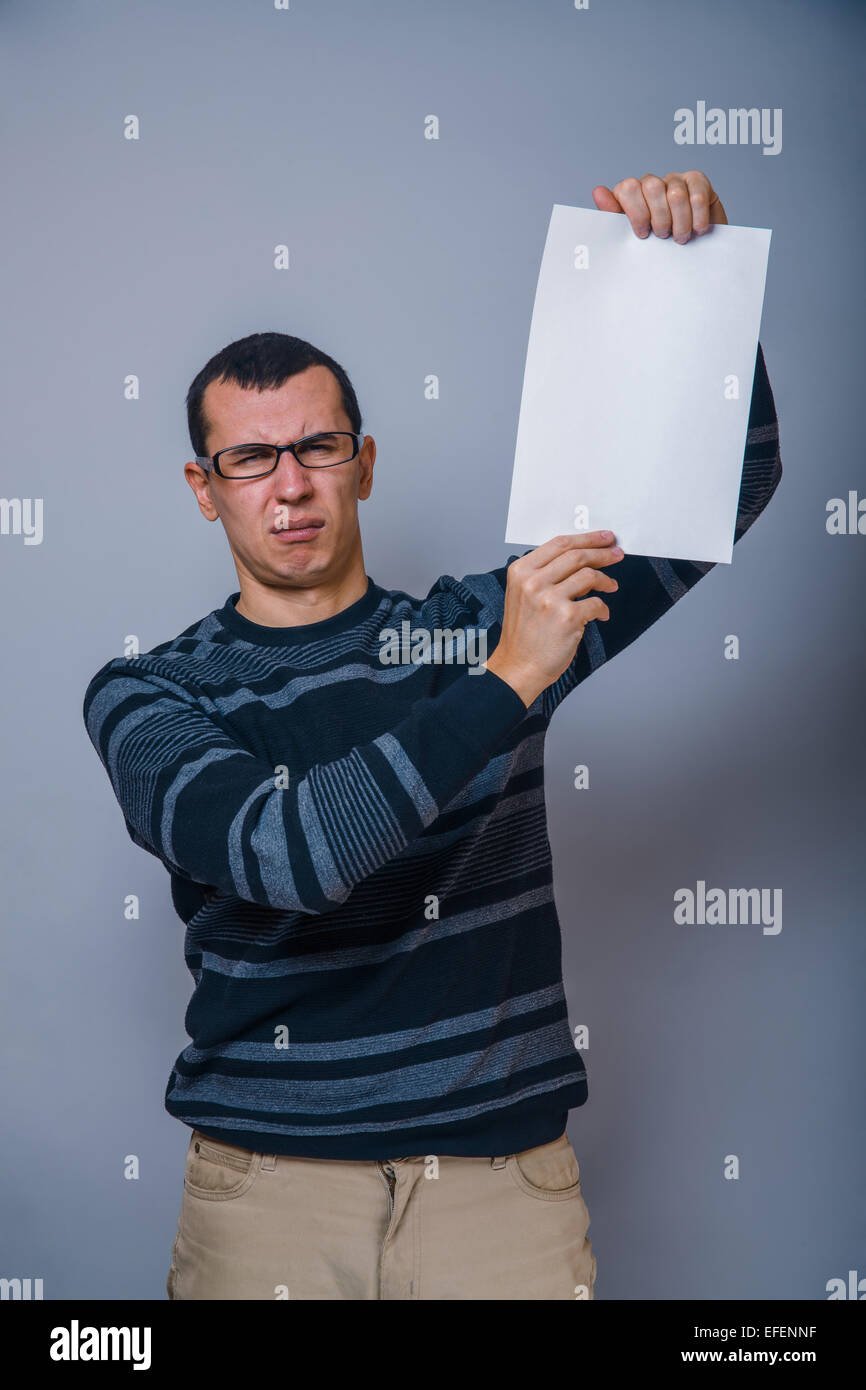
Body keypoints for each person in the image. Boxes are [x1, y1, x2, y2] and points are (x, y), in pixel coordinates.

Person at [82, 171, 782, 1300]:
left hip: (498, 1190)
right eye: (249, 460)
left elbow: (731, 479)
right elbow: (288, 856)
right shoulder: (150, 692)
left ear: (364, 461)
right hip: (270, 1194)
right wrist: (512, 675)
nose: (290, 486)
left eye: (318, 447)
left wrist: (688, 277)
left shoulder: (481, 627)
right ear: (203, 489)